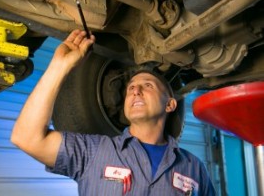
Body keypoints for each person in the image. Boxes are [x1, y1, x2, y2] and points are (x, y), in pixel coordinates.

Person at [11, 29, 216, 195]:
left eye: (148, 85)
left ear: (170, 105)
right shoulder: (93, 152)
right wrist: (59, 66)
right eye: (130, 88)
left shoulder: (194, 168)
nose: (135, 89)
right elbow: (27, 138)